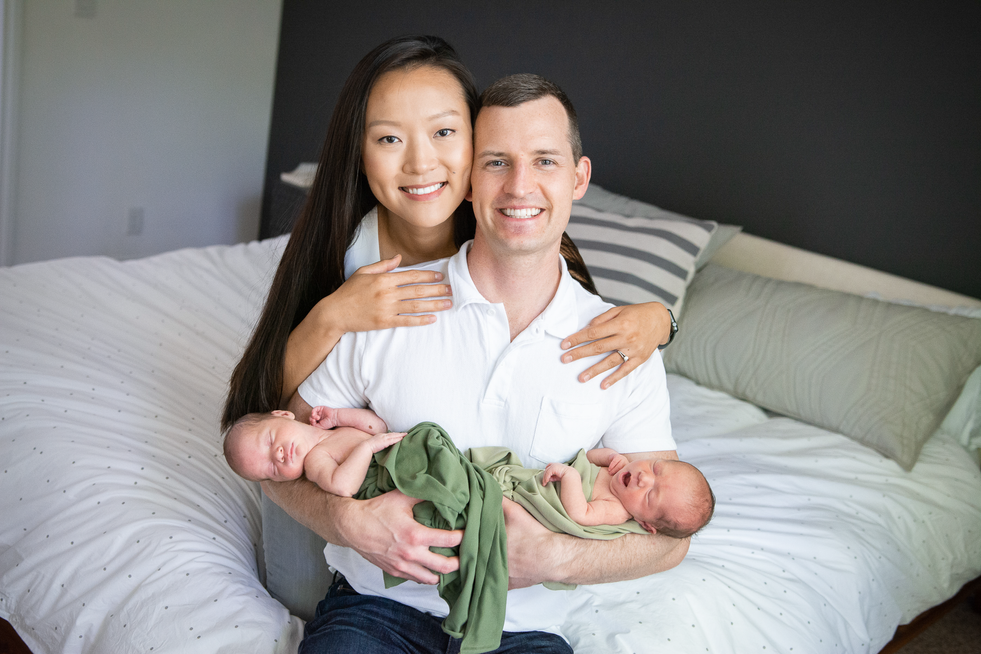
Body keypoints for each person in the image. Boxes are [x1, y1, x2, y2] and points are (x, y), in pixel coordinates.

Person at [283, 72, 690, 654]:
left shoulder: (623, 344)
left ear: (579, 178)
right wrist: (348, 523)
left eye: (545, 161)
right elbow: (276, 453)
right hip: (376, 609)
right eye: (497, 162)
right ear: (469, 181)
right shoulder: (387, 304)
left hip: (525, 631)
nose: (520, 186)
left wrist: (555, 557)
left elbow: (671, 541)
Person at [223, 408, 405, 496]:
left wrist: (338, 416)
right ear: (279, 480)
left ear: (284, 414)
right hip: (394, 478)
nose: (278, 455)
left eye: (270, 441)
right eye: (272, 468)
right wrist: (367, 448)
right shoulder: (315, 461)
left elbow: (380, 427)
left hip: (401, 451)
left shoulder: (335, 429)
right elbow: (344, 486)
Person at [541, 448, 714, 538]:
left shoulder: (616, 510)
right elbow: (586, 459)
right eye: (655, 468)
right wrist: (609, 456)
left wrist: (570, 477)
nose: (644, 478)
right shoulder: (620, 468)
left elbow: (580, 514)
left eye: (650, 495)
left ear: (644, 522)